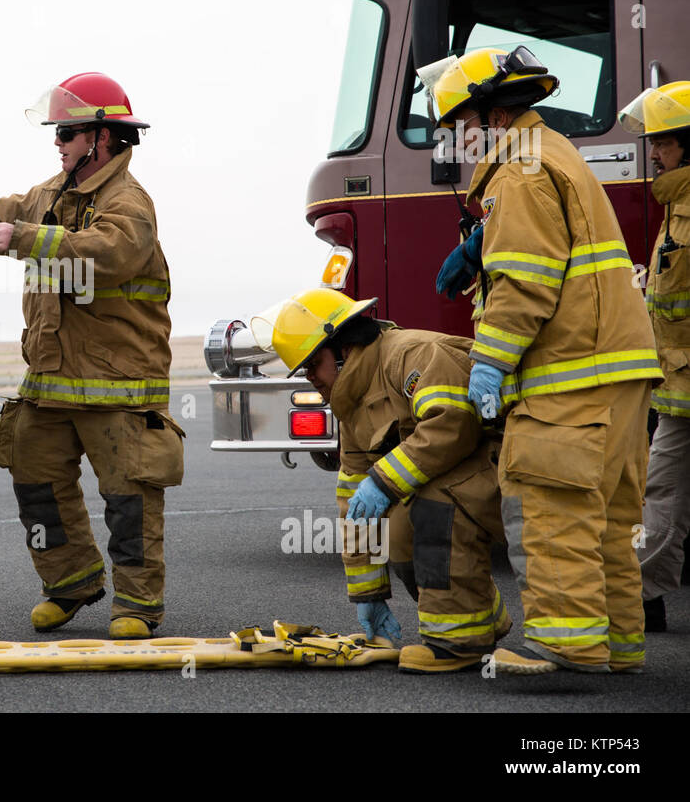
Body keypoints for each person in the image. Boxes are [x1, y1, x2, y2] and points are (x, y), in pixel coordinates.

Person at [0, 72, 184, 639]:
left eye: (68, 132)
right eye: (57, 131)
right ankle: (71, 585)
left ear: (102, 139)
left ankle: (136, 606)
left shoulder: (129, 202)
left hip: (118, 386)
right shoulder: (48, 196)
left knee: (129, 497)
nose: (58, 141)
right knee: (33, 479)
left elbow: (110, 252)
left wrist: (25, 239)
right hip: (51, 381)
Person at [423, 47, 662, 673]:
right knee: (606, 516)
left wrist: (490, 363)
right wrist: (484, 240)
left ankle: (564, 643)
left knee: (549, 501)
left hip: (572, 375)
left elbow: (526, 284)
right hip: (618, 371)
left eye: (457, 129)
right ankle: (618, 648)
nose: (455, 146)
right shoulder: (551, 154)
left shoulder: (519, 175)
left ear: (490, 118)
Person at [268, 288, 552, 673]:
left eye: (313, 364)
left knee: (431, 504)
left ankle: (457, 644)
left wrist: (383, 480)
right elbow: (352, 498)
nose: (310, 378)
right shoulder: (351, 402)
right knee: (397, 527)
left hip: (515, 471)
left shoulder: (411, 356)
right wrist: (367, 594)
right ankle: (476, 619)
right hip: (468, 478)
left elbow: (452, 425)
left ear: (343, 349)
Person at [619, 81, 690, 632]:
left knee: (663, 487)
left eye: (663, 141)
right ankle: (643, 599)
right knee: (662, 486)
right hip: (678, 383)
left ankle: (642, 599)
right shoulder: (676, 203)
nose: (653, 151)